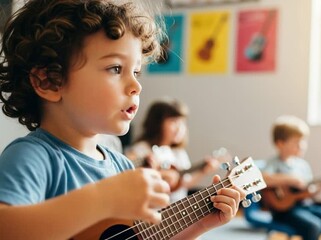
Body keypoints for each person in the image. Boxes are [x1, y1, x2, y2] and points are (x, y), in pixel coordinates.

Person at [0, 1, 244, 239]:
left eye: (136, 72)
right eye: (116, 68)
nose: (136, 85)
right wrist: (102, 199)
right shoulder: (33, 157)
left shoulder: (122, 168)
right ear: (49, 81)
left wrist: (200, 225)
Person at [261, 115, 321, 240]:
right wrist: (290, 179)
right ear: (280, 143)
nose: (302, 145)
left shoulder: (302, 165)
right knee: (314, 226)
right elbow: (263, 179)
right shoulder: (273, 163)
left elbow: (308, 192)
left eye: (303, 141)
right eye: (297, 142)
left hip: (305, 207)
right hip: (284, 212)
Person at [126, 97, 221, 203]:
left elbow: (185, 182)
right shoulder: (142, 149)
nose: (179, 128)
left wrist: (203, 171)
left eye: (182, 123)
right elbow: (129, 176)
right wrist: (160, 175)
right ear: (157, 124)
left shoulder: (178, 153)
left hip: (177, 207)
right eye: (174, 121)